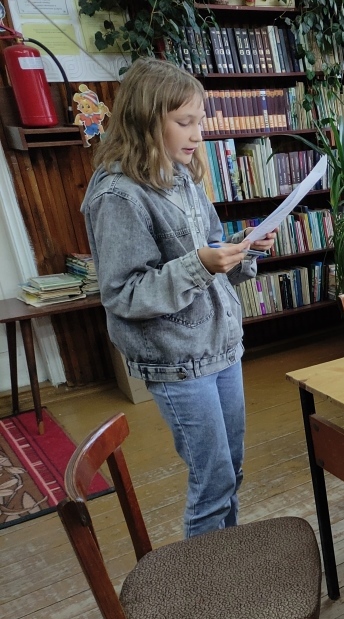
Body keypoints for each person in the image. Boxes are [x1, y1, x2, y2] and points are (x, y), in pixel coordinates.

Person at [81, 58, 275, 539]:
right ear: (147, 121)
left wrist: (242, 249)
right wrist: (202, 264)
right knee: (213, 481)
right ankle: (204, 579)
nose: (197, 134)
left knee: (230, 469)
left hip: (220, 346)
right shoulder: (118, 196)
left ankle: (223, 557)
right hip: (177, 360)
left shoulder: (181, 175)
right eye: (185, 122)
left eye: (199, 121)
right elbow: (123, 293)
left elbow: (209, 246)